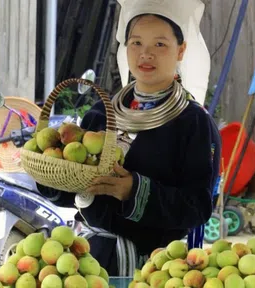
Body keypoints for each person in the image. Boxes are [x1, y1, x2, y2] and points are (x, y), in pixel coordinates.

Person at [37, 0, 221, 277]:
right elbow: (73, 192)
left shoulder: (193, 122)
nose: (145, 54)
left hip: (156, 268)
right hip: (87, 260)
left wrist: (133, 191)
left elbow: (198, 206)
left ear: (181, 50)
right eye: (136, 43)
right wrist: (51, 171)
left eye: (159, 45)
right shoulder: (102, 113)